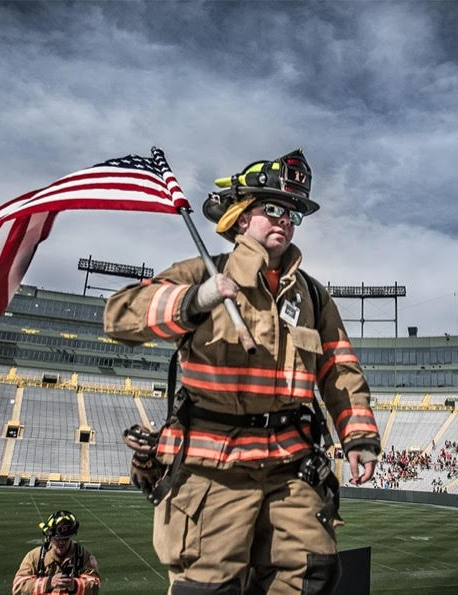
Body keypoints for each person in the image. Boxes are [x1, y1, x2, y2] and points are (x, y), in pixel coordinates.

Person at [106, 149, 380, 594]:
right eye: (271, 208)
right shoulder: (200, 272)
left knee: (314, 575)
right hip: (214, 468)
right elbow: (119, 317)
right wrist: (191, 301)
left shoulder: (313, 295)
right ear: (239, 216)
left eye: (292, 212)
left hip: (292, 468)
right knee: (208, 588)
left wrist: (359, 436)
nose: (284, 220)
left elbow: (339, 368)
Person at [13, 510, 101, 595]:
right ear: (49, 537)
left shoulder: (83, 555)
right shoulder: (34, 556)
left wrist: (74, 585)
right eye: (57, 539)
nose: (62, 543)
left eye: (66, 539)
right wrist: (48, 582)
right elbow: (18, 587)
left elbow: (95, 587)